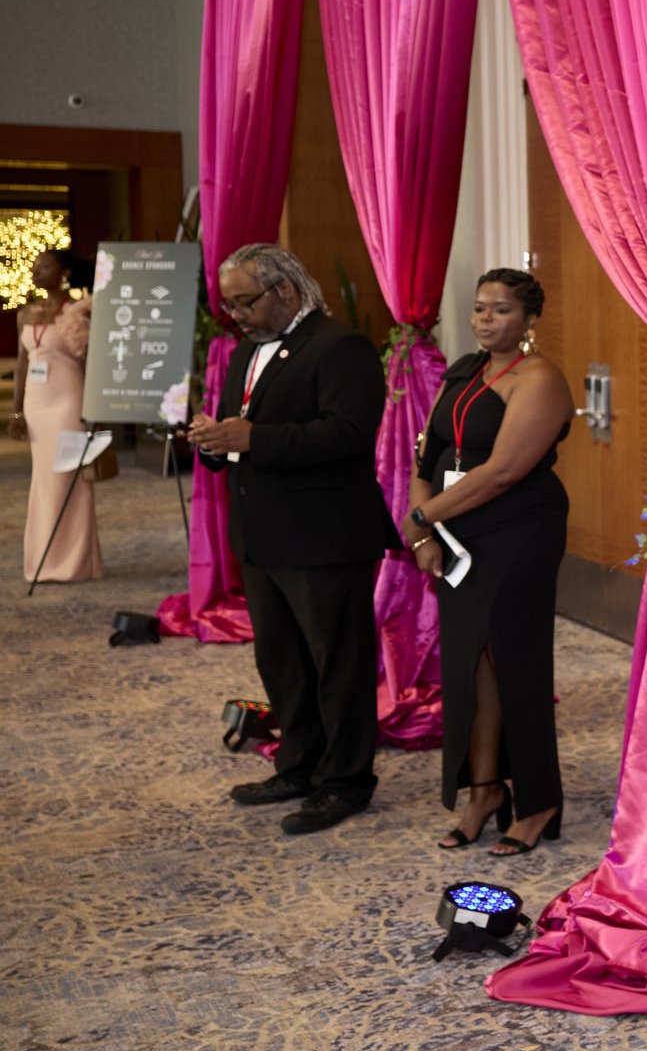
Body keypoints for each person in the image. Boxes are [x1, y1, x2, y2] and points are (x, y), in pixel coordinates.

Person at [189, 244, 396, 835]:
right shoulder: (242, 354)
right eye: (228, 304)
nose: (235, 315)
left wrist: (253, 438)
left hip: (324, 535)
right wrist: (216, 440)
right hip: (262, 535)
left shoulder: (341, 348)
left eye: (245, 301)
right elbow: (242, 431)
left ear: (284, 290)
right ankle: (298, 765)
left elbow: (349, 434)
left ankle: (347, 781)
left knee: (339, 666)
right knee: (282, 663)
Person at [406, 269, 572, 857]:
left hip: (519, 533)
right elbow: (427, 458)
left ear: (529, 319)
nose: (485, 320)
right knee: (469, 667)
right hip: (459, 533)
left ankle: (537, 800)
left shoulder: (540, 379)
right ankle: (483, 793)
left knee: (515, 664)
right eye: (479, 309)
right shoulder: (463, 372)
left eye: (500, 310)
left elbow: (503, 471)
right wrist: (425, 530)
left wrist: (425, 521)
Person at [12, 249, 102, 583]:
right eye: (34, 266)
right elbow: (22, 365)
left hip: (69, 401)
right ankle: (42, 562)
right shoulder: (25, 313)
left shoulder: (81, 312)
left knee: (69, 479)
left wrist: (97, 410)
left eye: (44, 266)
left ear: (63, 273)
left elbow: (93, 364)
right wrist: (17, 410)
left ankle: (76, 563)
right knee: (44, 481)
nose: (36, 271)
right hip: (37, 406)